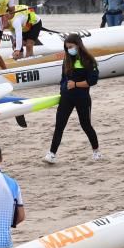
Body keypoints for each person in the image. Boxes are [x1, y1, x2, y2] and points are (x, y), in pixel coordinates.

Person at [43, 34, 101, 164]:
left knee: (86, 125)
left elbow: (93, 81)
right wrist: (63, 89)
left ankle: (96, 151)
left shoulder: (88, 60)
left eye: (71, 47)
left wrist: (75, 84)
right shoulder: (67, 59)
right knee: (59, 126)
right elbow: (63, 78)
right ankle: (51, 154)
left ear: (78, 45)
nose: (69, 49)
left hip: (82, 98)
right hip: (67, 98)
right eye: (67, 47)